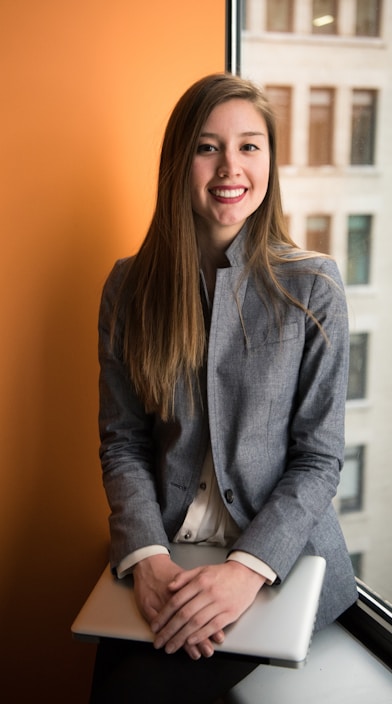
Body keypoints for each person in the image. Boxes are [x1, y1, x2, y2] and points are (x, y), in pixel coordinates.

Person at [91, 73, 358, 703]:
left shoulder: (314, 285)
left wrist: (246, 572)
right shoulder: (128, 288)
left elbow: (319, 458)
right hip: (168, 552)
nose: (229, 168)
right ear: (179, 163)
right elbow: (123, 442)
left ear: (269, 162)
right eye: (208, 147)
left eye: (249, 147)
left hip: (277, 559)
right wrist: (147, 559)